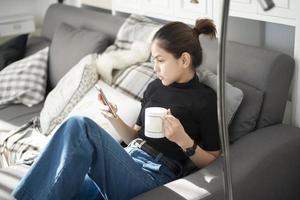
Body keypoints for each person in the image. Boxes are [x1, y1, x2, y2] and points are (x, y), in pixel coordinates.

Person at [12, 18, 220, 200]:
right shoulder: (155, 87)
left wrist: (184, 141)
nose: (154, 68)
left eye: (160, 61)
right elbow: (135, 137)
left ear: (184, 60)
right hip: (125, 160)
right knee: (61, 185)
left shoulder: (205, 99)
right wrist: (114, 119)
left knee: (80, 126)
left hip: (153, 175)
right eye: (153, 61)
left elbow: (212, 159)